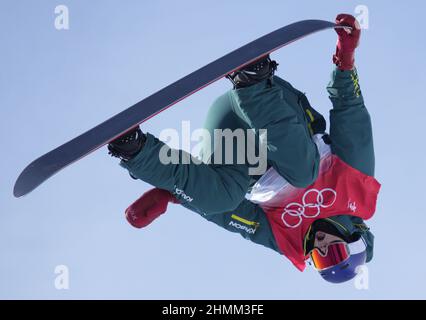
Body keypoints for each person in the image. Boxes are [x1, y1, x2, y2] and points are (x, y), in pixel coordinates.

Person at [107, 14, 381, 284]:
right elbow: (349, 110)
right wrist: (346, 57)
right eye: (333, 252)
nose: (321, 248)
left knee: (222, 200)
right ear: (352, 239)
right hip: (272, 104)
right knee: (304, 172)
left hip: (230, 134)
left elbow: (227, 216)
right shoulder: (356, 189)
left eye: (320, 259)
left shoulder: (288, 241)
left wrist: (173, 197)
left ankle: (134, 149)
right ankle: (252, 80)